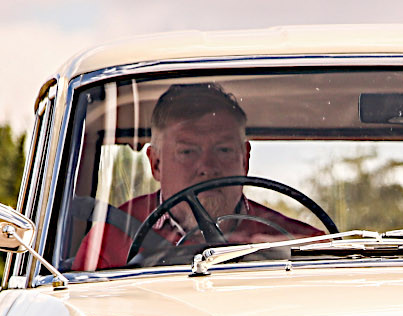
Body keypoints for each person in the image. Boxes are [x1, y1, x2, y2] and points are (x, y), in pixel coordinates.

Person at [72, 83, 322, 271]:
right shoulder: (109, 241)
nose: (207, 167)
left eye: (223, 150)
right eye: (187, 152)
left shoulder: (296, 242)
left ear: (244, 160)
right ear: (156, 163)